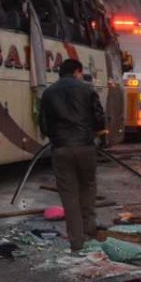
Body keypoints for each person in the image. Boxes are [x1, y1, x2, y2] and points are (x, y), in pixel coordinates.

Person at [40, 59, 107, 253]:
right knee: (88, 187)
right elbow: (99, 119)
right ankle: (90, 228)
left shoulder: (48, 93)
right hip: (85, 147)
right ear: (77, 71)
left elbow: (43, 125)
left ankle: (77, 242)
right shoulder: (87, 90)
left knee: (69, 195)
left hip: (61, 149)